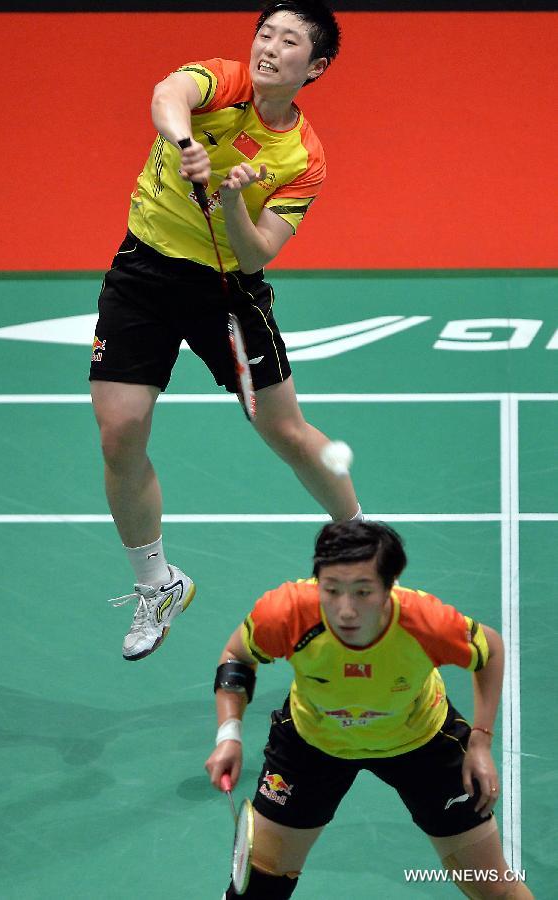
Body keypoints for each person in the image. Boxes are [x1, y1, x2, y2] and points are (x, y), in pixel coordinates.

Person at [89, 0, 363, 662]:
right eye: (265, 33)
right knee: (121, 430)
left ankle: (360, 541)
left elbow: (257, 253)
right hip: (144, 271)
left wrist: (232, 197)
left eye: (289, 41)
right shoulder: (224, 82)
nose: (269, 47)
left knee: (286, 432)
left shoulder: (302, 157)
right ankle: (157, 583)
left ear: (315, 66)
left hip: (225, 292)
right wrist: (187, 145)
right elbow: (169, 93)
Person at [205, 521, 534, 899]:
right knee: (259, 887)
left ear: (389, 587)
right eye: (331, 591)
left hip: (420, 742)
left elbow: (489, 649)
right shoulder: (286, 613)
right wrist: (228, 734)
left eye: (362, 592)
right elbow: (237, 657)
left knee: (493, 887)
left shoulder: (426, 623)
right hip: (313, 743)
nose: (346, 610)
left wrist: (480, 742)